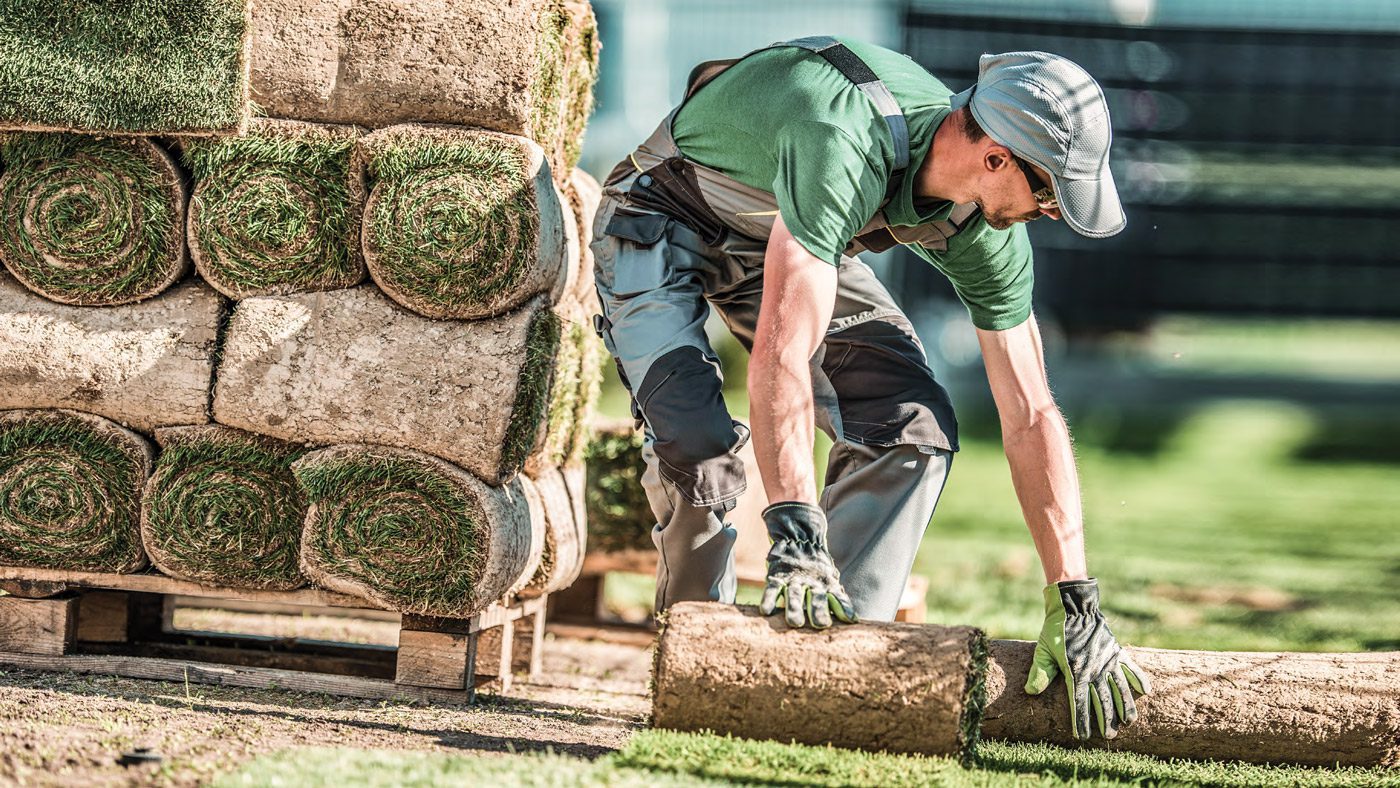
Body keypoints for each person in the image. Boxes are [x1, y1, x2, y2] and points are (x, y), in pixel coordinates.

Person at [589, 36, 1150, 740]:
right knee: (699, 452)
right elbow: (783, 352)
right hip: (660, 215)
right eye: (1047, 192)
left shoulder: (984, 226)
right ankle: (704, 679)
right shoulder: (842, 138)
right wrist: (793, 525)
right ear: (996, 155)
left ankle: (819, 677)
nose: (1050, 212)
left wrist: (1075, 598)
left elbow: (1032, 409)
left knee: (912, 431)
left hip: (790, 236)